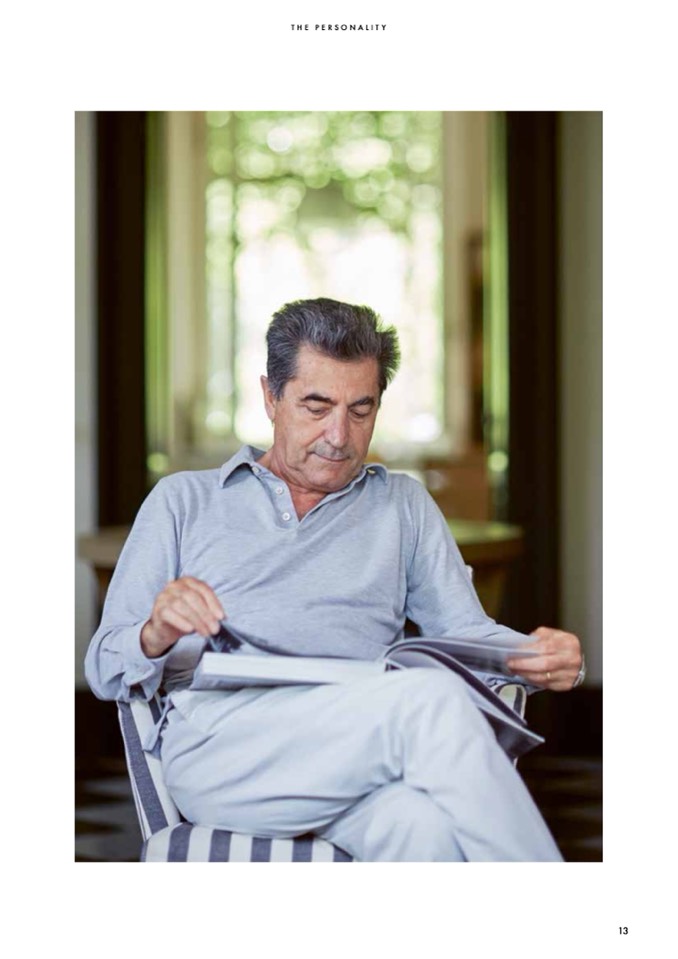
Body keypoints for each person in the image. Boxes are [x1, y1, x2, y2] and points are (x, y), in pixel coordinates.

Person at [85, 297, 584, 861]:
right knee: (430, 703)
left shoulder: (404, 506)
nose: (340, 435)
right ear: (271, 397)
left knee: (421, 826)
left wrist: (538, 656)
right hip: (228, 748)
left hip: (360, 742)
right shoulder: (184, 501)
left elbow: (467, 634)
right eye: (316, 407)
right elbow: (104, 666)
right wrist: (155, 633)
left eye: (360, 410)